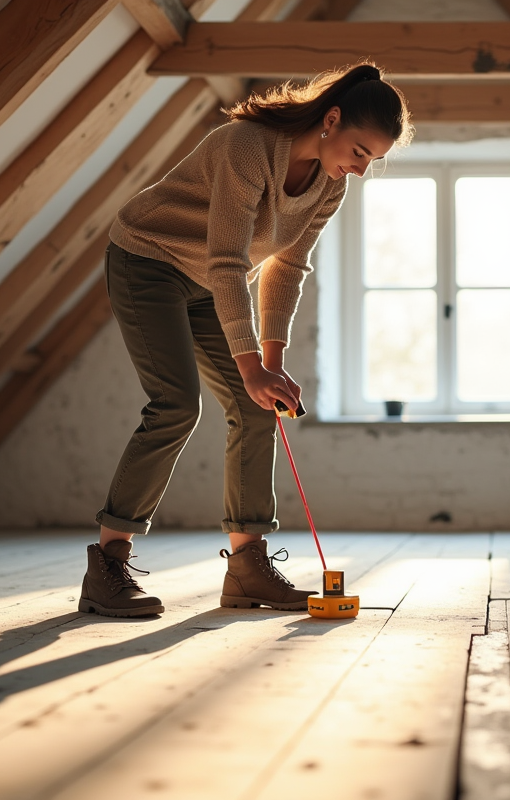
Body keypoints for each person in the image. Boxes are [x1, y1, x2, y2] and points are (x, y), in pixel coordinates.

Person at [77, 63, 413, 617]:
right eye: (358, 151)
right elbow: (228, 260)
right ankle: (108, 565)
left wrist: (271, 366)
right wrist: (250, 362)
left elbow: (287, 267)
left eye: (370, 161)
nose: (358, 169)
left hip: (210, 282)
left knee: (258, 409)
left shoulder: (329, 185)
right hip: (148, 259)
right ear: (331, 120)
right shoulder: (247, 146)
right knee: (175, 405)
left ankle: (247, 568)